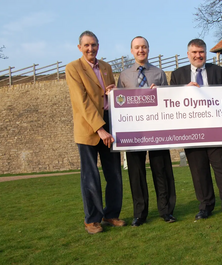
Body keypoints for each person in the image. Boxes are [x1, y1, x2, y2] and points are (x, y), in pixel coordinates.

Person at [170, 38, 222, 222]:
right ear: (188, 54)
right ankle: (205, 206)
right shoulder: (178, 75)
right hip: (191, 132)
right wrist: (184, 91)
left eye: (201, 52)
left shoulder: (217, 71)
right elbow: (170, 102)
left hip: (215, 130)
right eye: (194, 52)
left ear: (205, 53)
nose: (198, 55)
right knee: (199, 172)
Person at [66, 30, 126, 234]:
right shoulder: (73, 68)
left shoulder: (107, 67)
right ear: (79, 47)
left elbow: (110, 98)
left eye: (94, 44)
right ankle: (92, 219)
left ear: (98, 45)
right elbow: (81, 101)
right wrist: (100, 129)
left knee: (114, 174)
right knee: (90, 176)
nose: (91, 48)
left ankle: (111, 214)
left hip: (109, 123)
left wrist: (112, 92)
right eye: (86, 45)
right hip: (88, 127)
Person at [117, 36, 176, 226]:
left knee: (161, 171)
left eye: (144, 47)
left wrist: (159, 92)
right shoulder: (124, 76)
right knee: (136, 174)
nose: (141, 50)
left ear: (148, 49)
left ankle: (166, 210)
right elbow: (119, 105)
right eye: (137, 47)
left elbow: (168, 102)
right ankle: (139, 213)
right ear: (132, 51)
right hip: (134, 132)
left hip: (156, 129)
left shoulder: (159, 73)